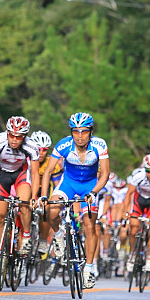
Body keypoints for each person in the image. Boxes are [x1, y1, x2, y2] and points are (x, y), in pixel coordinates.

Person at [42, 112, 110, 290]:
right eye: (76, 131)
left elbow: (105, 174)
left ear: (91, 131)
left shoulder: (99, 145)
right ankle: (58, 235)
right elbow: (48, 171)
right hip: (69, 184)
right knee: (53, 209)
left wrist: (94, 192)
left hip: (90, 185)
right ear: (71, 132)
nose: (80, 136)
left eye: (84, 131)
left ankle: (88, 270)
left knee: (89, 225)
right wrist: (43, 195)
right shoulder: (63, 144)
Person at [0, 116, 40, 256]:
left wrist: (34, 196)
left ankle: (26, 235)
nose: (14, 139)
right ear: (7, 132)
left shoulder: (32, 146)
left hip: (20, 174)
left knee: (24, 203)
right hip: (1, 174)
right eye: (12, 135)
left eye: (19, 137)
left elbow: (34, 173)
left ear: (25, 136)